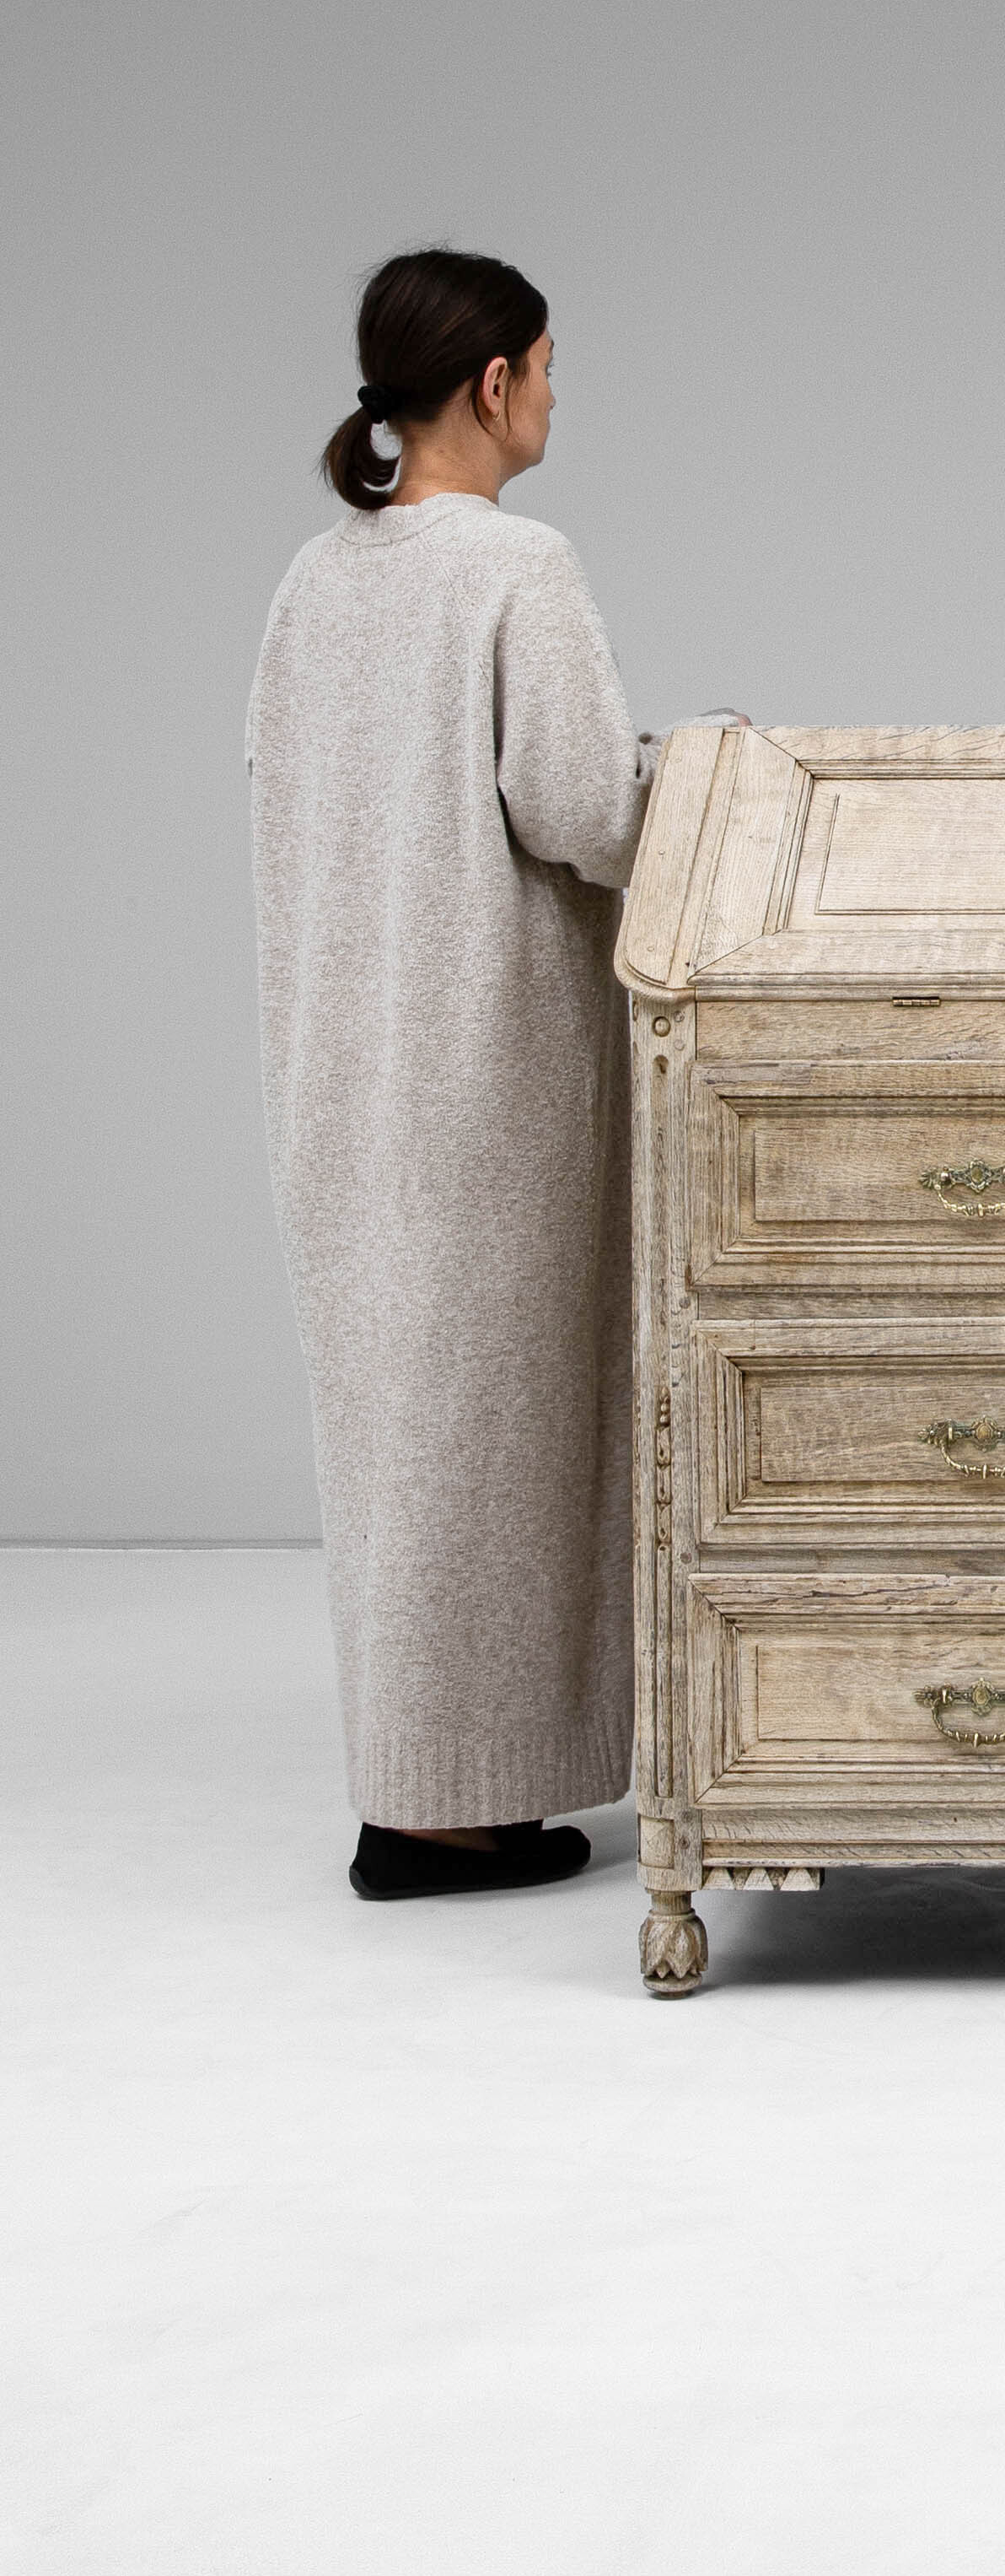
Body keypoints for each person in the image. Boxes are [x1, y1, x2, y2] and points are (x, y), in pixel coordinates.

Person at [250, 249, 658, 1902]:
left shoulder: (312, 582)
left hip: (339, 1067)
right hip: (488, 1078)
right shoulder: (516, 566)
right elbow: (585, 811)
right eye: (549, 367)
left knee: (401, 1445)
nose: (558, 395)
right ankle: (436, 1819)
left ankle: (433, 1789)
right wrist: (690, 773)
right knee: (498, 1439)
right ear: (492, 383)